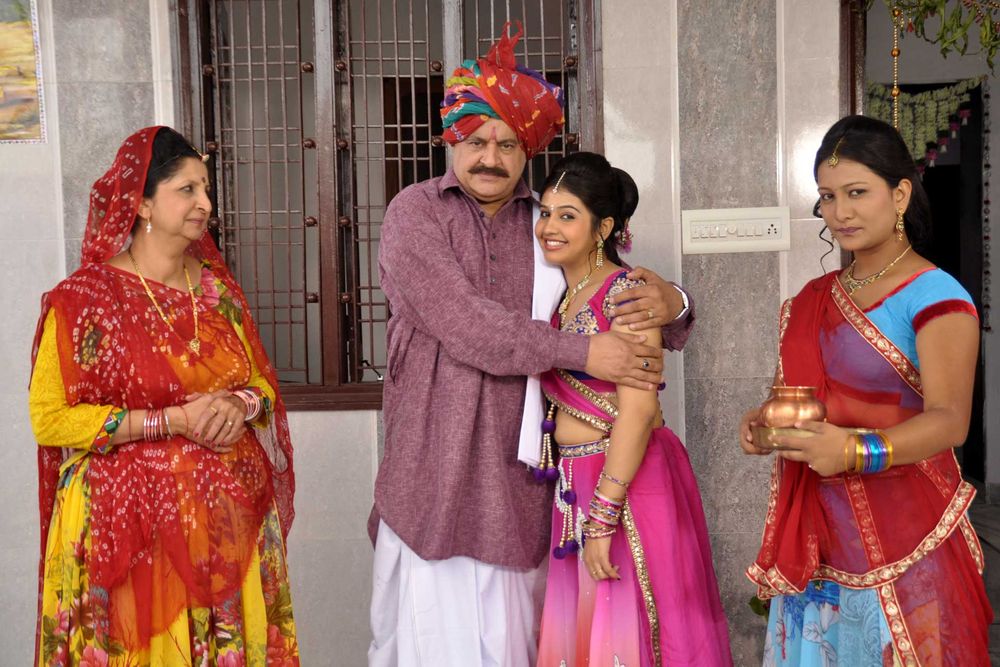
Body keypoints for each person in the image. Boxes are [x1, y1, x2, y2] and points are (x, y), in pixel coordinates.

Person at [368, 22, 694, 667]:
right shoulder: (415, 212)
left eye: (508, 143)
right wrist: (584, 353)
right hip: (431, 466)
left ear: (528, 151)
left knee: (523, 641)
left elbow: (610, 287)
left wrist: (675, 303)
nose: (490, 157)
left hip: (525, 480)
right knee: (422, 639)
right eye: (476, 140)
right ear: (451, 140)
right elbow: (464, 322)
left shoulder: (546, 223)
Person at [29, 127, 299, 666]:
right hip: (124, 531)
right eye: (187, 189)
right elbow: (51, 419)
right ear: (143, 203)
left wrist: (239, 405)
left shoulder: (217, 291)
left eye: (206, 189)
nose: (205, 204)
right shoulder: (85, 300)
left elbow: (263, 385)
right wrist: (172, 420)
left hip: (225, 528)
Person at [739, 115, 992, 665]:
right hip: (820, 542)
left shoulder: (935, 295)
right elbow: (801, 396)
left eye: (857, 193)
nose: (840, 213)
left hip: (908, 538)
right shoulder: (813, 298)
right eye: (829, 197)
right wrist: (765, 421)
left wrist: (855, 449)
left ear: (899, 194)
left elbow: (950, 421)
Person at [533, 152, 732, 666]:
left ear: (603, 228)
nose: (549, 227)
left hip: (625, 480)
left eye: (567, 215)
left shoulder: (626, 294)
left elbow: (639, 411)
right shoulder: (561, 295)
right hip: (576, 482)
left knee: (635, 627)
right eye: (546, 213)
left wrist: (603, 516)